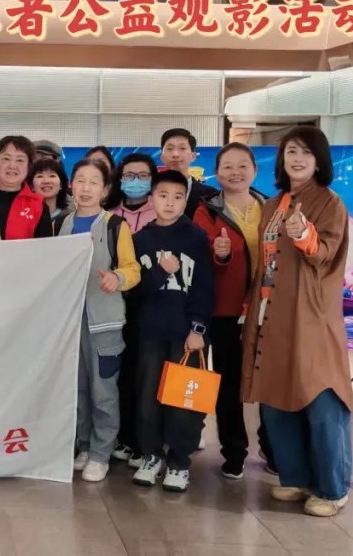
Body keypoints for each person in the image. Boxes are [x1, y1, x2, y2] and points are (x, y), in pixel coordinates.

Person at [240, 126, 353, 517]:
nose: (298, 159)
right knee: (276, 399)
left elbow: (324, 253)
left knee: (320, 398)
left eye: (307, 152)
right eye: (291, 151)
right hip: (270, 312)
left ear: (319, 160)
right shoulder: (273, 203)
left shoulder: (329, 202)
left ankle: (332, 488)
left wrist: (304, 233)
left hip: (309, 316)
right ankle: (296, 476)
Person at [130, 169, 215, 493]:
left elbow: (204, 288)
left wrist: (198, 328)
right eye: (163, 196)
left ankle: (180, 463)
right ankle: (151, 456)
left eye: (178, 197)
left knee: (184, 401)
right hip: (150, 332)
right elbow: (134, 291)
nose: (170, 203)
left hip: (186, 334)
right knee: (147, 397)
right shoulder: (140, 240)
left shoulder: (195, 238)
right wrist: (159, 273)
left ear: (185, 201)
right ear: (151, 199)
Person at [193, 142, 273, 480]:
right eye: (227, 166)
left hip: (268, 310)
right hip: (225, 311)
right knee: (228, 385)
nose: (235, 172)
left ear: (255, 170)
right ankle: (234, 452)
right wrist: (220, 255)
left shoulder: (273, 208)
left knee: (270, 383)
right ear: (217, 172)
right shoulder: (207, 211)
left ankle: (274, 449)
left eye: (242, 165)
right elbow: (199, 263)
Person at [58, 160, 140, 483]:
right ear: (71, 185)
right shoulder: (61, 223)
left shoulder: (115, 225)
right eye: (80, 180)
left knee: (103, 391)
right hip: (69, 323)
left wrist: (117, 278)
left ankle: (102, 453)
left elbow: (133, 268)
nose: (86, 188)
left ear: (105, 190)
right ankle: (85, 445)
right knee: (77, 389)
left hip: (103, 323)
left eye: (94, 182)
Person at [104, 152, 158, 468]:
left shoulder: (161, 211)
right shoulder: (109, 215)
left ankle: (144, 441)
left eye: (143, 176)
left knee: (145, 373)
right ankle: (122, 437)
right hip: (115, 302)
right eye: (129, 175)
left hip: (151, 303)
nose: (135, 181)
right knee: (120, 373)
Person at [0, 136, 52, 240]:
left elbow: (44, 247)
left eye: (20, 160)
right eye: (6, 159)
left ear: (28, 167)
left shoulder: (38, 206)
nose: (12, 166)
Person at [159, 128, 217, 219]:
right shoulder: (150, 193)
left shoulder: (211, 195)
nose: (175, 154)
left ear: (193, 156)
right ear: (161, 157)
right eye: (170, 148)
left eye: (182, 148)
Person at [31, 159, 73, 230]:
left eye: (52, 176)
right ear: (31, 186)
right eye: (40, 176)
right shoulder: (23, 216)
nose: (46, 181)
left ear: (61, 185)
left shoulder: (70, 218)